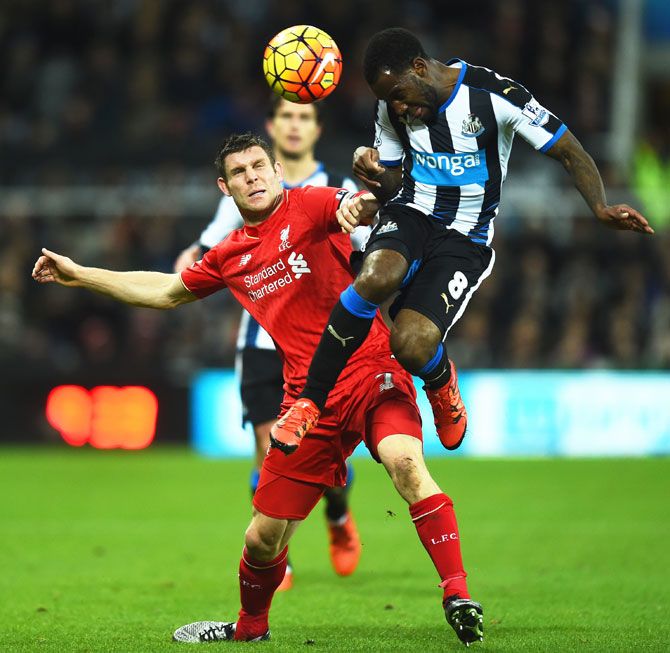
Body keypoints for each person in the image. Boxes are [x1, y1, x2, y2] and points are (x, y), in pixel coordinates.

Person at [32, 134, 484, 646]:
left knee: (405, 462)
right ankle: (250, 629)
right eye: (240, 172)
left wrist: (363, 202)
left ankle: (458, 595)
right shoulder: (229, 255)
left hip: (370, 370)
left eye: (258, 166)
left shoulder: (311, 204)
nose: (252, 177)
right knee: (262, 538)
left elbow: (352, 207)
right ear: (225, 187)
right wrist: (81, 274)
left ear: (275, 170)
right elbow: (165, 290)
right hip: (306, 401)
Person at [270, 27, 654, 455]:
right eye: (389, 100)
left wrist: (600, 207)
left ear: (419, 68)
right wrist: (375, 172)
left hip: (465, 236)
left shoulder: (496, 95)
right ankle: (309, 402)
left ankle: (441, 381)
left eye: (400, 94)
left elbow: (567, 149)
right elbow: (393, 185)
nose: (398, 107)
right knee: (376, 278)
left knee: (410, 344)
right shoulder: (390, 107)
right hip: (411, 212)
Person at [174, 96, 365, 589]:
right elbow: (206, 249)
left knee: (326, 459)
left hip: (327, 340)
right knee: (268, 443)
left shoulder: (333, 189)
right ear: (273, 126)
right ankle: (280, 558)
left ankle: (338, 514)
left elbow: (367, 249)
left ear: (317, 129)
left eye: (304, 117)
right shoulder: (238, 193)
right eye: (286, 117)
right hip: (261, 342)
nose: (295, 125)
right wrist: (186, 262)